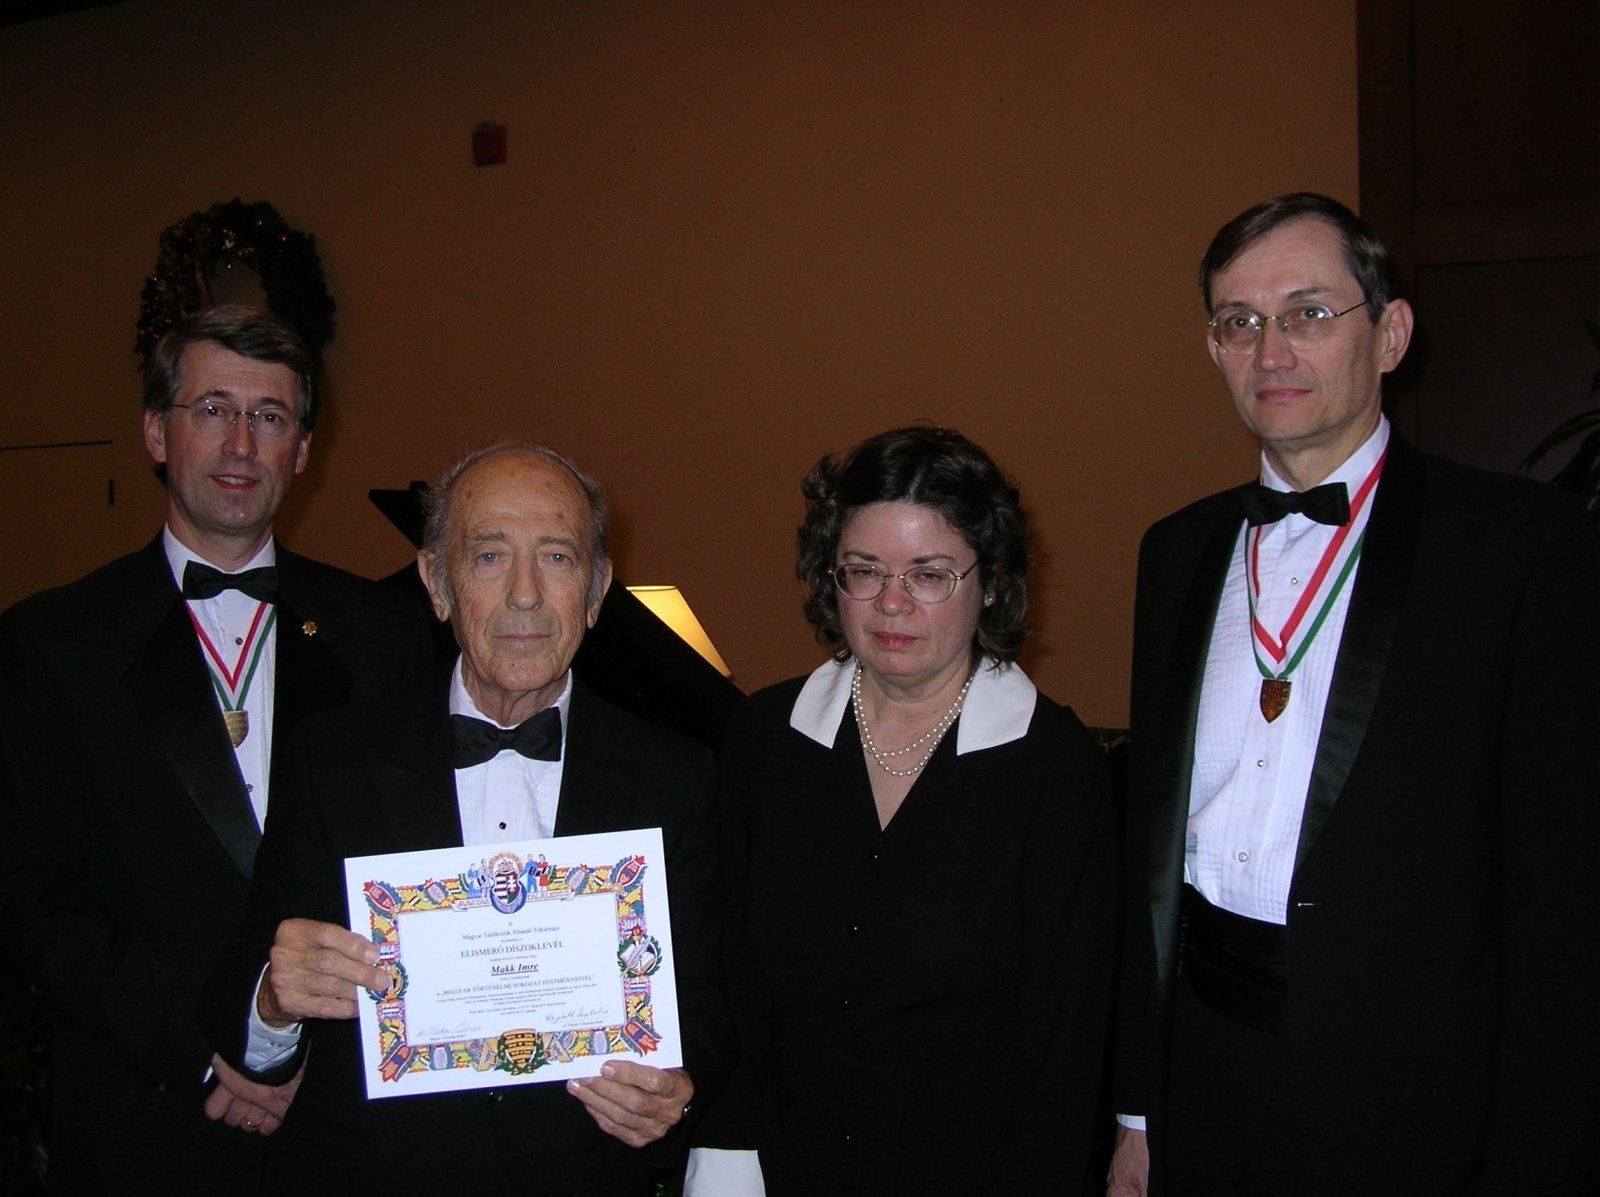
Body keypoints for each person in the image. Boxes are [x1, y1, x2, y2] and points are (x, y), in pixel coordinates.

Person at [1108, 193, 1600, 1195]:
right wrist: (1136, 1111)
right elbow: (1148, 856)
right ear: (1213, 349)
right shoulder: (1175, 552)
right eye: (1239, 321)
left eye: (1308, 312)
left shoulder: (1520, 548)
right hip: (1204, 1073)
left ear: (1391, 333)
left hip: (1421, 1096)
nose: (1271, 351)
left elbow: (1563, 890)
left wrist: (1535, 1151)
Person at [202, 442, 730, 1191]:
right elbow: (242, 988)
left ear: (596, 590)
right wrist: (273, 1000)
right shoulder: (333, 760)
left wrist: (677, 1085)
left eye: (556, 557)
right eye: (489, 557)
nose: (525, 595)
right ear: (437, 582)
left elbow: (708, 1001)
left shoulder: (676, 777)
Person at [0, 305, 432, 1193]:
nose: (241, 443)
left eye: (270, 416)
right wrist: (216, 1051)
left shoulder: (385, 634)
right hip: (144, 1117)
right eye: (212, 409)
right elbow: (34, 899)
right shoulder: (50, 644)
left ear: (302, 449)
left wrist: (298, 1053)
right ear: (156, 432)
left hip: (343, 1120)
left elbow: (419, 862)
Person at [689, 425, 1117, 1196]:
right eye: (864, 571)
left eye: (929, 574)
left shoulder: (1054, 768)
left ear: (990, 582)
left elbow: (1065, 1047)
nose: (891, 602)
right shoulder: (762, 741)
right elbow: (731, 983)